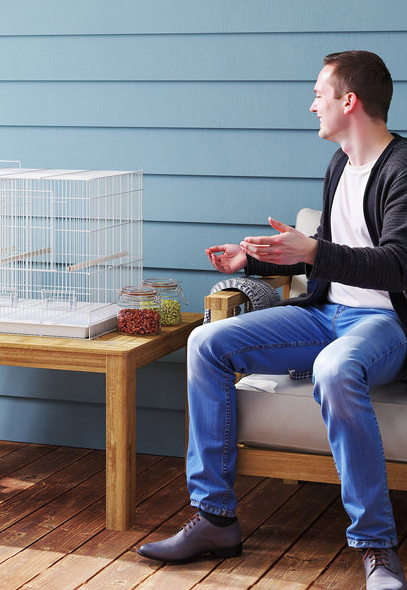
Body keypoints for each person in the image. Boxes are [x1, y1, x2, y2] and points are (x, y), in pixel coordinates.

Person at [136, 51, 407, 590]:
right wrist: (255, 261)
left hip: (381, 324)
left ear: (348, 101)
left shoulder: (402, 169)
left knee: (334, 369)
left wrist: (311, 252)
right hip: (325, 313)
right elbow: (330, 252)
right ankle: (215, 519)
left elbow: (397, 264)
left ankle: (376, 547)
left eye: (318, 94)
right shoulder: (340, 166)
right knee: (207, 343)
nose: (311, 106)